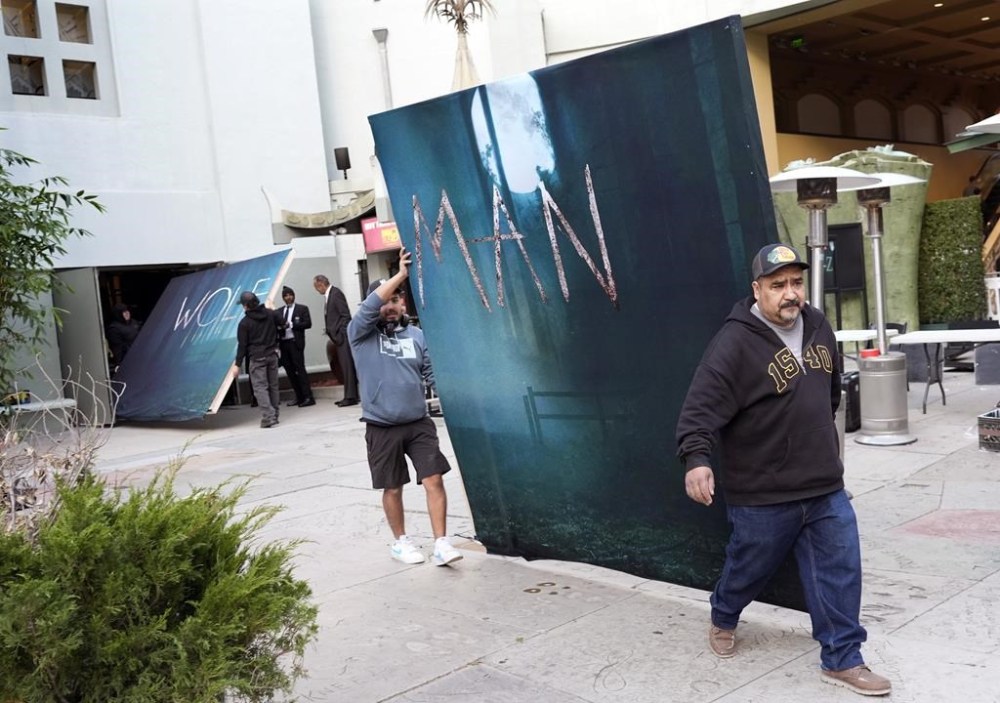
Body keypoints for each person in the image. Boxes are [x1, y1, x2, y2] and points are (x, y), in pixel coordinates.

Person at [675, 243, 890, 697]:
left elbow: (829, 394)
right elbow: (699, 411)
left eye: (796, 283)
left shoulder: (818, 325)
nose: (790, 294)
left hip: (824, 485)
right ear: (757, 290)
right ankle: (724, 613)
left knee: (841, 569)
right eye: (778, 285)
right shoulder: (733, 344)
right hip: (763, 492)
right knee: (748, 567)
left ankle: (843, 657)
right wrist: (697, 460)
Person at [347, 247, 461, 567]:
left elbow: (432, 374)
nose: (390, 305)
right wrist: (399, 274)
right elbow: (370, 306)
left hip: (417, 423)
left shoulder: (417, 336)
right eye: (385, 301)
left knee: (434, 478)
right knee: (392, 487)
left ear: (403, 303)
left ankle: (441, 543)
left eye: (396, 299)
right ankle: (401, 542)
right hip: (381, 426)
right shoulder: (360, 335)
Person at [233, 291, 280, 428]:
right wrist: (274, 309)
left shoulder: (244, 323)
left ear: (246, 306)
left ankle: (268, 417)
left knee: (260, 388)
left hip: (257, 358)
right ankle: (275, 415)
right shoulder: (270, 314)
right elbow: (283, 322)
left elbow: (242, 346)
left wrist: (237, 364)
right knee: (273, 386)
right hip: (272, 355)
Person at [313, 274, 360, 407]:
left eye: (317, 288)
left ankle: (351, 397)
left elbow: (345, 315)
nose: (317, 291)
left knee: (347, 367)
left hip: (342, 338)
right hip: (337, 337)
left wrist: (341, 334)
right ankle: (348, 395)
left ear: (321, 284)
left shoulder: (336, 293)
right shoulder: (329, 295)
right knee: (344, 368)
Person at [274, 286, 316, 407]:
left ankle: (308, 397)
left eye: (290, 295)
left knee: (300, 369)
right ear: (283, 298)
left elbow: (308, 324)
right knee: (290, 371)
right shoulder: (279, 311)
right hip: (284, 344)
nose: (289, 297)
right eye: (286, 295)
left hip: (295, 343)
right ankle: (299, 397)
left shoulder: (302, 309)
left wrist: (291, 325)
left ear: (294, 295)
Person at [106, 303, 141, 371]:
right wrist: (118, 363)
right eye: (123, 312)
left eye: (127, 311)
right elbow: (117, 347)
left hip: (140, 355)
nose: (127, 313)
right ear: (118, 314)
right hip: (128, 359)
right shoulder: (114, 328)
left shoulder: (134, 322)